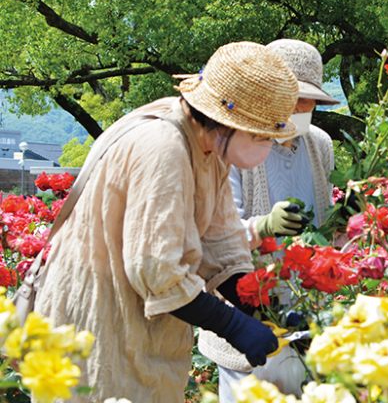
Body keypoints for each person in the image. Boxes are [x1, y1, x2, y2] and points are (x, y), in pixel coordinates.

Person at [33, 42, 300, 403]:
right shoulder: (163, 145)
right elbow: (155, 267)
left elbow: (221, 241)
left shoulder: (209, 146)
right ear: (227, 121)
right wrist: (231, 324)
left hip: (141, 327)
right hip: (97, 321)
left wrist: (263, 310)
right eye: (260, 136)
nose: (266, 146)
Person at [198, 39, 340, 401]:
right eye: (289, 97)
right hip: (250, 313)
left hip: (309, 313)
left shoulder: (319, 143)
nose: (297, 108)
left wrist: (345, 221)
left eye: (306, 101)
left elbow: (326, 229)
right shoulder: (234, 144)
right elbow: (216, 239)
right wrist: (263, 227)